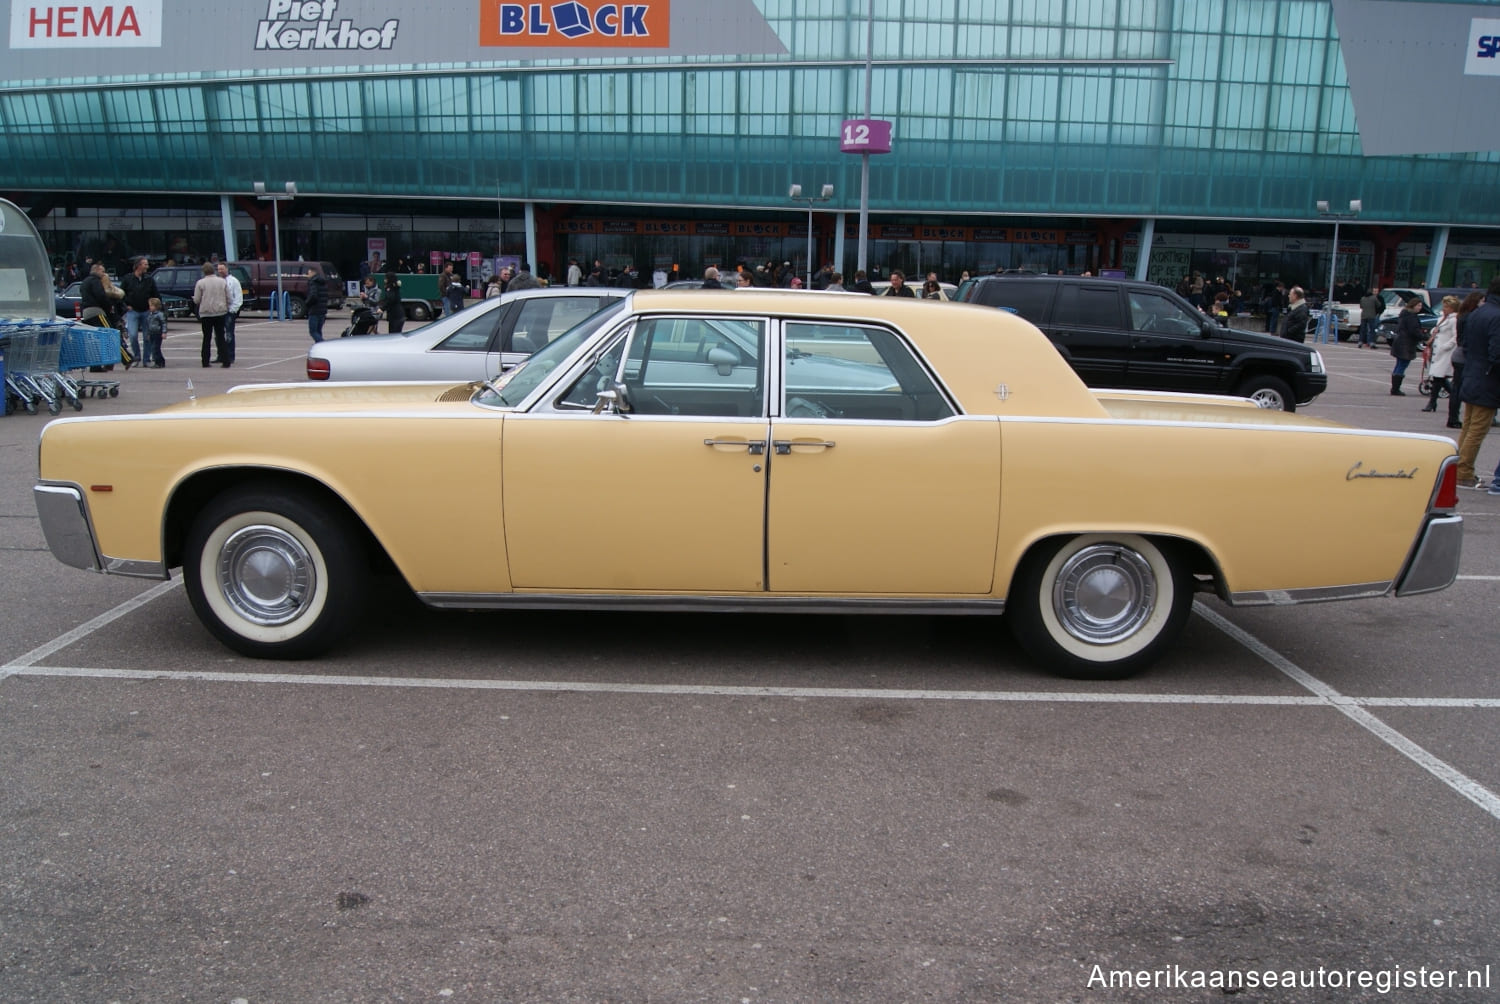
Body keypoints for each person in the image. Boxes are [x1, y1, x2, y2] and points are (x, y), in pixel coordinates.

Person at [1454, 276, 1500, 489]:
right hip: (1488, 379)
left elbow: (1468, 344)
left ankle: (1458, 468)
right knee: (1477, 430)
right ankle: (1463, 472)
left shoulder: (1477, 313)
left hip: (1472, 373)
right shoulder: (1496, 316)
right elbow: (1496, 353)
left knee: (1469, 426)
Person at [1447, 292, 1483, 429]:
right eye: (1481, 301)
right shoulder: (1471, 318)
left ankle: (1453, 417)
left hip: (1459, 354)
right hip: (1465, 356)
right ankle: (1454, 417)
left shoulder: (1462, 316)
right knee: (1461, 389)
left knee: (1457, 387)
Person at [1422, 296, 1460, 413]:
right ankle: (1433, 402)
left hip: (1446, 353)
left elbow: (1456, 336)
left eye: (1447, 307)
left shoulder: (1454, 320)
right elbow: (1437, 330)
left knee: (1439, 376)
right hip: (1437, 351)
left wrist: (1446, 347)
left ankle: (1452, 396)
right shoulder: (1442, 318)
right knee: (1437, 377)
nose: (1444, 309)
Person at [119, 256, 158, 366]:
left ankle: (146, 359)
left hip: (146, 311)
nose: (147, 266)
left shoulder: (149, 279)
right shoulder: (128, 279)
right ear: (138, 265)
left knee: (147, 336)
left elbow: (155, 294)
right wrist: (126, 305)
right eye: (145, 264)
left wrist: (155, 306)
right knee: (132, 335)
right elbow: (121, 294)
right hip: (133, 311)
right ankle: (137, 356)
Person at [192, 262, 230, 366]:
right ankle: (226, 360)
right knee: (221, 337)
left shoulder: (200, 283)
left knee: (206, 338)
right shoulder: (222, 282)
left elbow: (197, 299)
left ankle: (205, 361)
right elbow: (229, 297)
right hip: (220, 312)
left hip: (206, 313)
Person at [1388, 297, 1424, 396]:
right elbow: (1414, 330)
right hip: (1406, 343)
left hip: (1400, 341)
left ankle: (1394, 387)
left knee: (1399, 364)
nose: (1420, 308)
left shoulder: (1404, 314)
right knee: (1402, 364)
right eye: (1418, 305)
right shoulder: (1411, 317)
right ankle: (1395, 388)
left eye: (1420, 306)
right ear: (1413, 305)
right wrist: (1423, 337)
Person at [217, 263, 242, 365]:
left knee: (229, 334)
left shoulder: (234, 281)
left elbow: (238, 297)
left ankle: (230, 356)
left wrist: (233, 310)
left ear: (227, 269)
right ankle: (221, 355)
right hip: (219, 311)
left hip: (229, 312)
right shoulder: (218, 281)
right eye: (218, 269)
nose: (220, 271)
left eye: (222, 269)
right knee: (218, 335)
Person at [304, 267, 329, 343]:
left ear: (312, 272)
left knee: (313, 331)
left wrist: (307, 303)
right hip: (322, 310)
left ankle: (323, 344)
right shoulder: (322, 282)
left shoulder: (313, 282)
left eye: (308, 273)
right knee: (318, 331)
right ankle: (319, 346)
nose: (307, 275)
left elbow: (313, 296)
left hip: (314, 310)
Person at [143, 296, 168, 368]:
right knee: (154, 348)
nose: (150, 307)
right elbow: (148, 325)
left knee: (155, 348)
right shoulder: (150, 315)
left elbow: (163, 323)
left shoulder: (159, 315)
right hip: (151, 333)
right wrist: (148, 333)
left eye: (151, 306)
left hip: (158, 333)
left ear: (156, 306)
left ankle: (158, 362)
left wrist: (164, 332)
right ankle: (161, 361)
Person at [380, 269, 406, 334]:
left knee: (393, 334)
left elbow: (390, 299)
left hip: (395, 316)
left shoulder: (390, 288)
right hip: (398, 315)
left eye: (385, 278)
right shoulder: (394, 287)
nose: (384, 280)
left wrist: (382, 308)